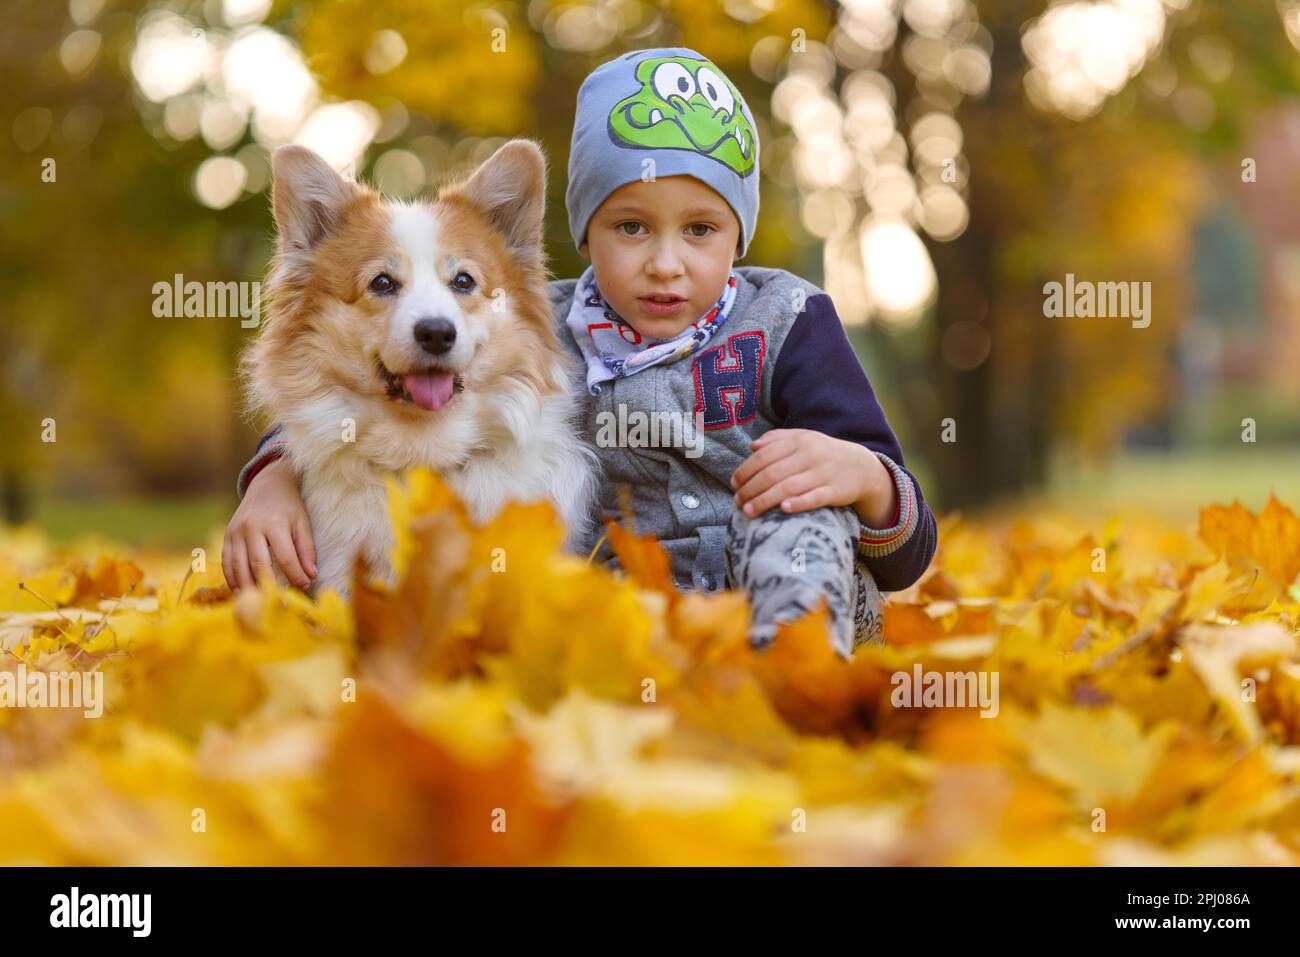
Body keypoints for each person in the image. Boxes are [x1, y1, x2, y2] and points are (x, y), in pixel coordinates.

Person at [224, 47, 937, 659]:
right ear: (583, 235)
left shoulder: (787, 318)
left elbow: (908, 549)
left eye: (700, 229)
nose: (665, 262)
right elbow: (326, 399)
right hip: (622, 618)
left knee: (798, 511)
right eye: (631, 227)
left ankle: (793, 671)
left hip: (774, 582)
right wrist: (273, 477)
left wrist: (866, 476)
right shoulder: (542, 323)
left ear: (738, 236)